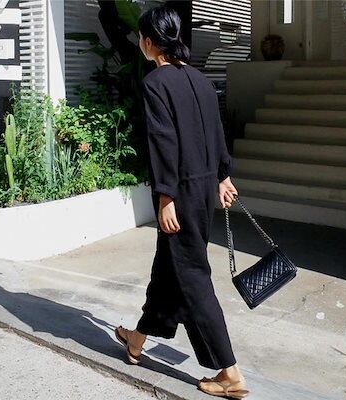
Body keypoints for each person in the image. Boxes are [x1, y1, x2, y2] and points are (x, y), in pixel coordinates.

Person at [115, 5, 249, 399]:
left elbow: (164, 142)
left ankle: (230, 373)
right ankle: (137, 340)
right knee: (169, 269)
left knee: (191, 276)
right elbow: (216, 130)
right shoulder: (201, 80)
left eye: (141, 38)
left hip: (181, 193)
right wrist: (222, 175)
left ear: (149, 42)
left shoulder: (155, 83)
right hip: (202, 188)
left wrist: (166, 197)